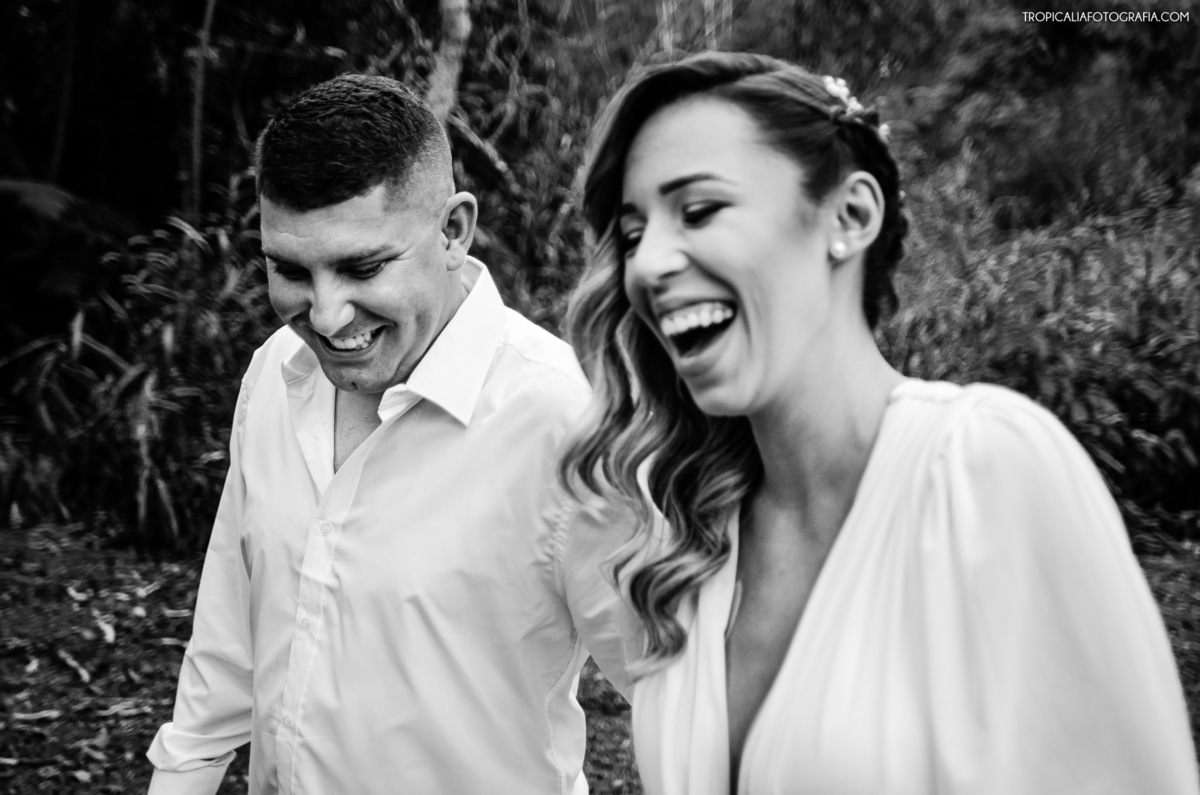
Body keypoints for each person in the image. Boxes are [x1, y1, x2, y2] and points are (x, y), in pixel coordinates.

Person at [560, 51, 1199, 795]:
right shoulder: (688, 548)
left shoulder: (979, 468)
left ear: (851, 215)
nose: (647, 266)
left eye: (698, 210)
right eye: (633, 234)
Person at [146, 74, 638, 795]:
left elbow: (681, 700)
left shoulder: (567, 423)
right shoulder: (277, 371)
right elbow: (228, 635)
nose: (326, 316)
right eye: (290, 270)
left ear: (453, 230)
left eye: (362, 266)